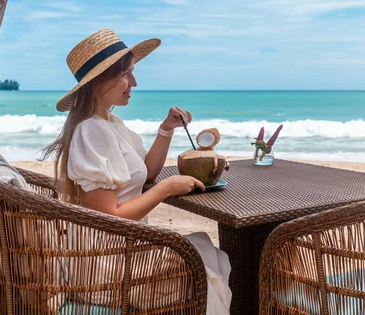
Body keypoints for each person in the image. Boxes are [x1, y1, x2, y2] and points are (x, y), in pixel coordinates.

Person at [43, 29, 231, 314]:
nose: (134, 82)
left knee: (206, 250)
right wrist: (166, 189)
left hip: (121, 250)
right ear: (98, 82)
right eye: (125, 75)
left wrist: (166, 129)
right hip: (106, 265)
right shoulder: (92, 130)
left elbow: (147, 171)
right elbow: (109, 215)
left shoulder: (110, 123)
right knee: (203, 263)